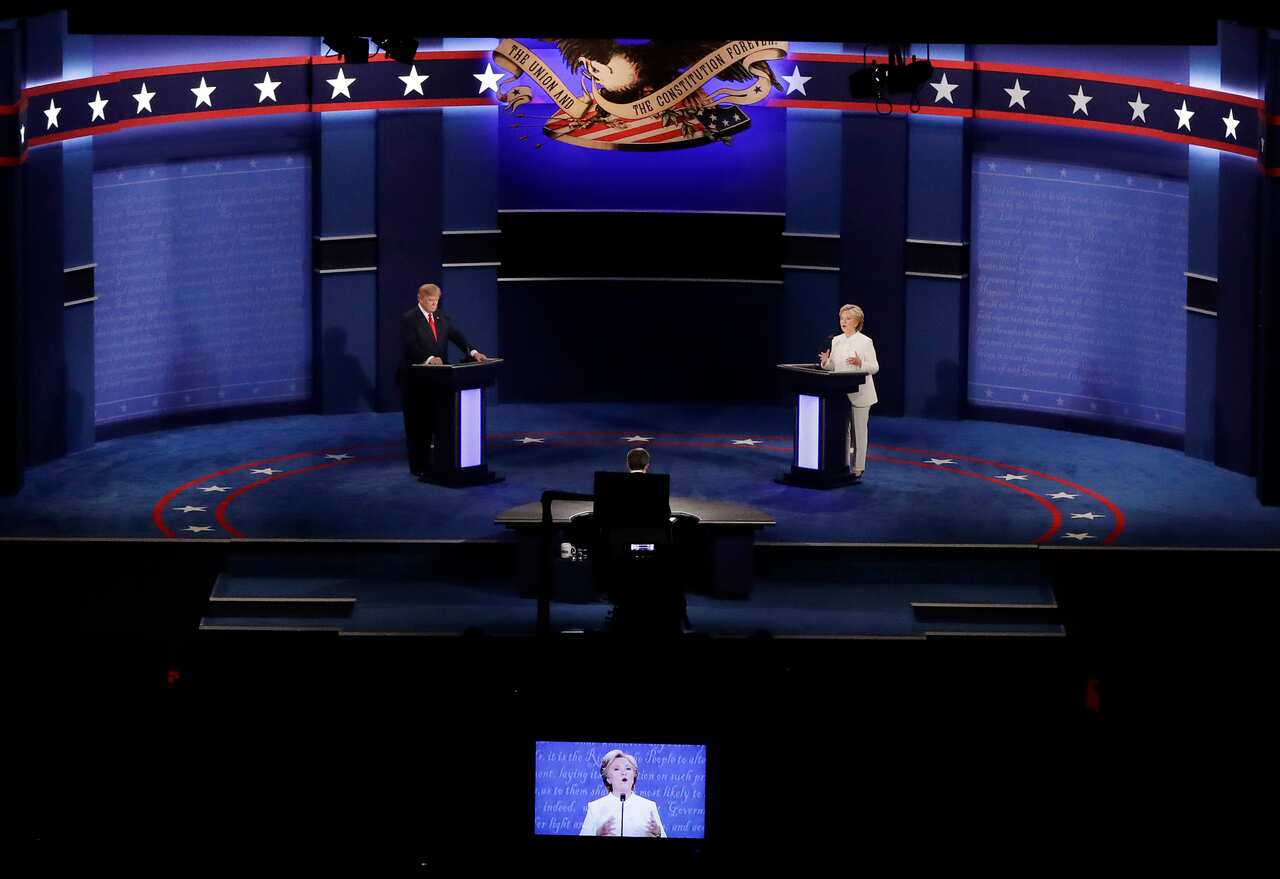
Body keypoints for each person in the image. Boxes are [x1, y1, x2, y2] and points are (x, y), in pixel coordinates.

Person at [397, 283, 487, 479]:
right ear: (420, 299)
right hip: (415, 380)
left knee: (437, 422)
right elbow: (411, 346)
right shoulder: (409, 319)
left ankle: (438, 462)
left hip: (439, 379)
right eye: (430, 300)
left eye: (436, 301)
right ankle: (419, 466)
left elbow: (457, 337)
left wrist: (473, 352)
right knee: (418, 424)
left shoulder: (441, 317)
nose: (434, 304)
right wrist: (429, 358)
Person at [818, 304, 878, 481]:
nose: (843, 322)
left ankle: (858, 467)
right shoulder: (836, 340)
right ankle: (842, 463)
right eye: (842, 318)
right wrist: (826, 363)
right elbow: (833, 367)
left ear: (857, 321)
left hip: (860, 394)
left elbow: (875, 367)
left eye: (848, 318)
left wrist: (861, 364)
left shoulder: (865, 342)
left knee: (859, 432)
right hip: (839, 394)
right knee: (843, 431)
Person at [578, 749, 667, 838]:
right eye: (616, 769)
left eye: (628, 769)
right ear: (608, 779)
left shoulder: (649, 806)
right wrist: (596, 834)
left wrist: (659, 834)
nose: (624, 773)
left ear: (634, 776)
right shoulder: (595, 807)